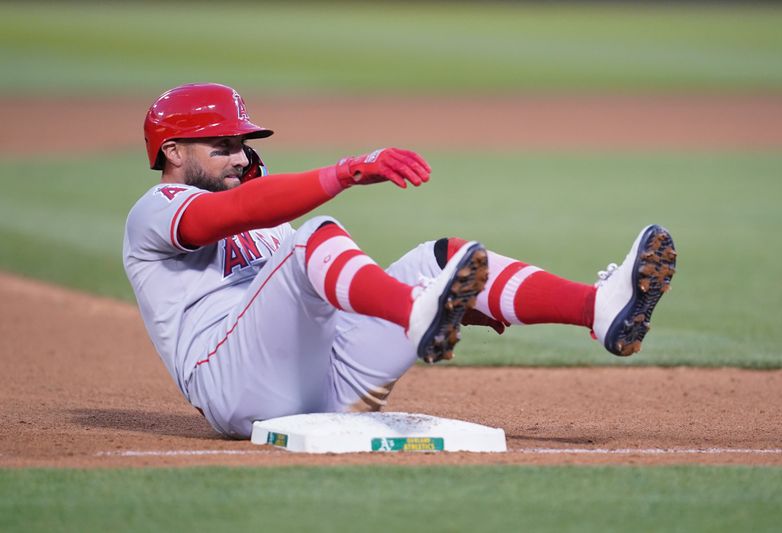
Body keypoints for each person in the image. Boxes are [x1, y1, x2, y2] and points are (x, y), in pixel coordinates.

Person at [123, 83, 677, 439]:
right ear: (173, 152)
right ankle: (416, 313)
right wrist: (346, 171)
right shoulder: (154, 210)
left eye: (242, 143)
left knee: (439, 259)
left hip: (324, 387)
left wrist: (463, 303)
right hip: (233, 386)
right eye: (222, 144)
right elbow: (220, 217)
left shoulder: (267, 222)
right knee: (315, 236)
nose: (240, 154)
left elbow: (310, 295)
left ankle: (598, 308)